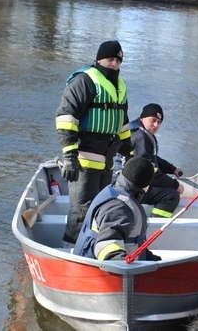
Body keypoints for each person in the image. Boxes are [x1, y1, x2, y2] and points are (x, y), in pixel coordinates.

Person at [56, 40, 133, 245]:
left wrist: (129, 151)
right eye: (111, 59)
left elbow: (123, 122)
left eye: (118, 60)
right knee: (81, 210)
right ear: (99, 59)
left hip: (107, 159)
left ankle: (92, 247)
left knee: (101, 207)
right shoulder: (84, 81)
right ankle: (69, 249)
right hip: (84, 157)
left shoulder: (120, 86)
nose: (114, 64)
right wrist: (69, 156)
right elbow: (66, 117)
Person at [73, 157, 160, 261]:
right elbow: (106, 245)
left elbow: (133, 241)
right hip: (100, 273)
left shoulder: (115, 189)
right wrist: (122, 263)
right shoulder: (119, 207)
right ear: (145, 186)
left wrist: (150, 259)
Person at [130, 103, 184, 218]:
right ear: (143, 118)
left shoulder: (139, 132)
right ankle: (154, 225)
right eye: (153, 120)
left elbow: (153, 159)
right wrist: (175, 185)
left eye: (159, 122)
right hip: (132, 189)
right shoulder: (141, 138)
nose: (156, 125)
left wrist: (172, 169)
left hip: (127, 182)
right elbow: (150, 172)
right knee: (172, 196)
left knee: (166, 185)